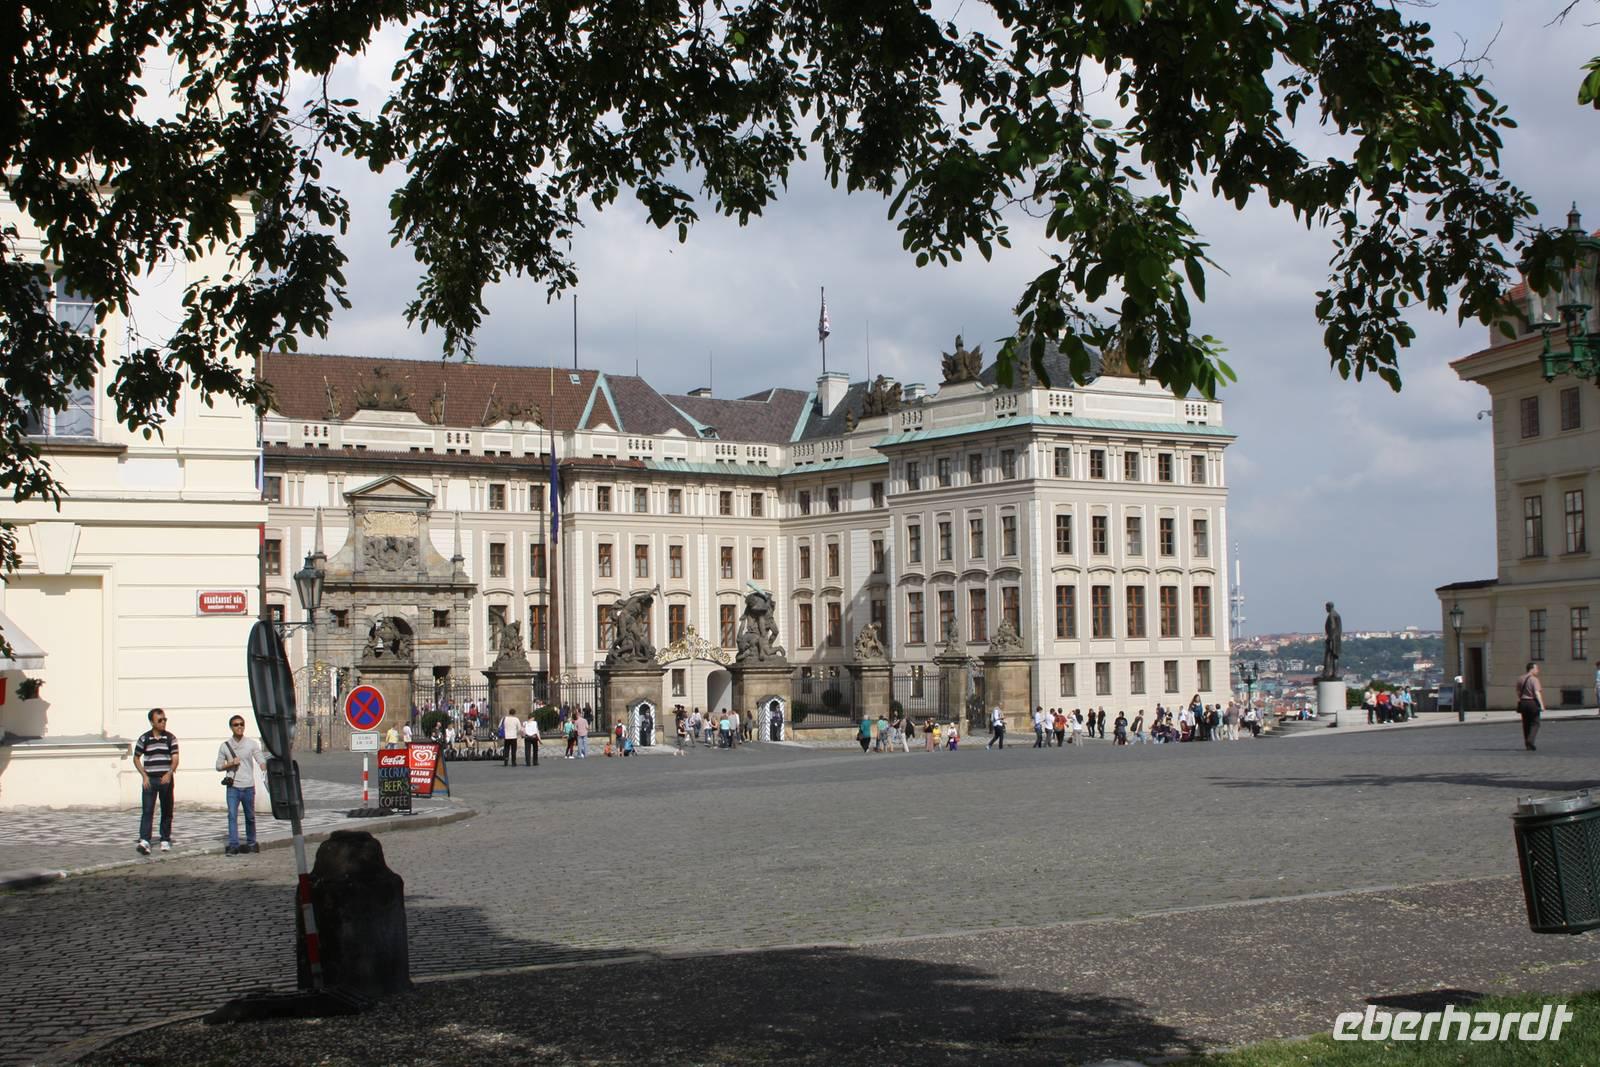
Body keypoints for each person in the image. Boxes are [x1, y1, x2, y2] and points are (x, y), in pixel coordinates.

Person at [215, 714, 265, 856]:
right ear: (231, 727)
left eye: (241, 724)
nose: (239, 727)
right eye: (236, 725)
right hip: (233, 788)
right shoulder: (225, 746)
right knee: (232, 815)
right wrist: (231, 763)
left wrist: (264, 767)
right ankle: (233, 845)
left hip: (248, 786)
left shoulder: (251, 744)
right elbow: (218, 766)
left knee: (250, 816)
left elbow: (260, 758)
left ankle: (251, 842)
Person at [133, 708, 180, 855]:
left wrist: (169, 773)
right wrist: (144, 775)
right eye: (160, 720)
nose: (163, 722)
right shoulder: (144, 738)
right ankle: (145, 839)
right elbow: (136, 758)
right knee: (147, 810)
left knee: (167, 810)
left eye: (165, 719)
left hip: (165, 778)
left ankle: (165, 838)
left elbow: (175, 759)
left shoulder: (170, 738)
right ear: (152, 722)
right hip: (151, 779)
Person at [1516, 661, 1545, 751]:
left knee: (1526, 723)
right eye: (1536, 668)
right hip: (1532, 702)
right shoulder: (1534, 679)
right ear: (1531, 669)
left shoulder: (1520, 678)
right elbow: (1537, 693)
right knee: (1535, 723)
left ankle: (1527, 744)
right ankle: (1530, 741)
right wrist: (1542, 705)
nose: (1538, 670)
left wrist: (1521, 699)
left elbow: (1518, 691)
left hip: (1523, 702)